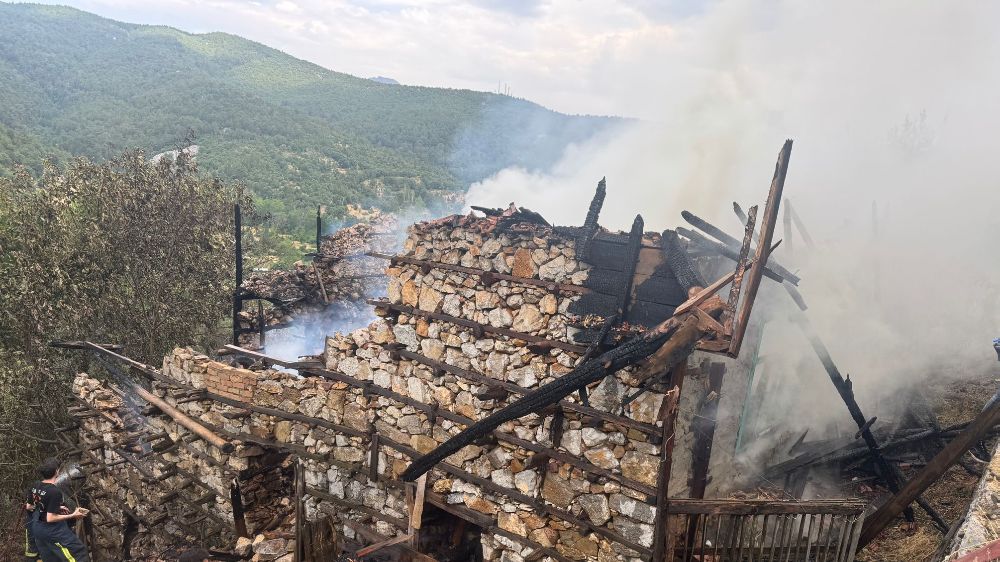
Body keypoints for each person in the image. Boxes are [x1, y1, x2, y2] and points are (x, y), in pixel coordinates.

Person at [28, 457, 91, 562]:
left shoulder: (35, 485)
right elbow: (50, 518)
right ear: (56, 471)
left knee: (52, 558)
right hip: (52, 531)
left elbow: (29, 506)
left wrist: (55, 507)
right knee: (78, 554)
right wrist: (73, 515)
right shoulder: (54, 491)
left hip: (37, 528)